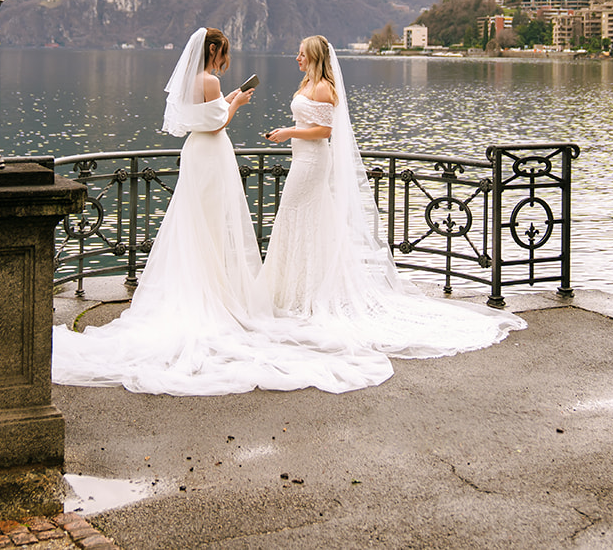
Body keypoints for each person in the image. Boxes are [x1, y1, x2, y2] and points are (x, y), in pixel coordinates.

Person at [52, 27, 389, 395]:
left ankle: (211, 284)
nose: (226, 62)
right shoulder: (209, 81)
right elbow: (218, 121)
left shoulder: (193, 81)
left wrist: (228, 100)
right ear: (214, 50)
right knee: (212, 225)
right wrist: (236, 105)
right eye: (224, 54)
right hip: (212, 154)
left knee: (195, 223)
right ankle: (216, 291)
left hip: (197, 153)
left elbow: (202, 116)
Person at [263, 35, 525, 357]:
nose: (297, 58)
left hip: (313, 161)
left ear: (315, 57)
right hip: (301, 158)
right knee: (300, 217)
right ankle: (295, 289)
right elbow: (309, 122)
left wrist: (288, 132)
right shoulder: (307, 84)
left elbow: (325, 132)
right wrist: (289, 132)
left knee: (297, 212)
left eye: (301, 54)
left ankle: (307, 293)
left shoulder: (322, 89)